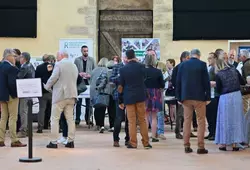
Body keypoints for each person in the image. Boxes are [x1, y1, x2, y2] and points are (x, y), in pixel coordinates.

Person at [176, 49, 210, 154]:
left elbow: (178, 82)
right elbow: (206, 82)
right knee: (201, 121)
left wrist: (179, 97)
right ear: (199, 55)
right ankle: (201, 147)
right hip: (199, 97)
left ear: (190, 55)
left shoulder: (182, 65)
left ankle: (186, 145)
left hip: (186, 97)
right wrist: (208, 97)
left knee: (187, 121)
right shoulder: (202, 64)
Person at [119, 49, 152, 149]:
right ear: (134, 56)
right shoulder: (142, 67)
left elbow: (121, 85)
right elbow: (146, 78)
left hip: (128, 97)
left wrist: (120, 100)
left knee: (131, 121)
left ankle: (133, 143)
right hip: (140, 96)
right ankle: (146, 142)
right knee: (142, 120)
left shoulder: (123, 69)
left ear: (126, 57)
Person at [45, 51, 78, 149]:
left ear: (61, 56)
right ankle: (71, 141)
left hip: (60, 95)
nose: (56, 58)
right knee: (70, 119)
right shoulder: (74, 65)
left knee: (54, 119)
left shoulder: (59, 64)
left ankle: (54, 142)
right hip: (72, 95)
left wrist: (47, 86)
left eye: (57, 56)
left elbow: (53, 77)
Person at [214, 59, 245, 151]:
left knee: (224, 120)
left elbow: (218, 89)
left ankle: (223, 144)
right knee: (236, 119)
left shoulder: (219, 74)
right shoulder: (234, 70)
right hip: (237, 96)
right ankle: (235, 144)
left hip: (225, 97)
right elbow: (242, 82)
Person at [0, 48, 26, 147]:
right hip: (11, 96)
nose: (15, 58)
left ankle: (1, 139)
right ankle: (14, 140)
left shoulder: (1, 65)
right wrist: (15, 94)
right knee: (13, 118)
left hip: (2, 95)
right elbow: (12, 83)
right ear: (8, 56)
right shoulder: (11, 68)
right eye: (14, 56)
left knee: (3, 118)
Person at [144, 54, 165, 142]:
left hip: (144, 94)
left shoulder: (142, 71)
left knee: (145, 116)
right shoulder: (158, 71)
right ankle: (153, 136)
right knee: (154, 117)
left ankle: (145, 136)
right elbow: (162, 85)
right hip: (156, 94)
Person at [110, 56, 130, 147]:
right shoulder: (117, 67)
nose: (127, 59)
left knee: (129, 119)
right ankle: (116, 139)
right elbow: (111, 79)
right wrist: (120, 77)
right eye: (125, 57)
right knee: (118, 118)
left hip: (130, 96)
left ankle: (128, 139)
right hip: (118, 95)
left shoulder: (131, 67)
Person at [74, 45, 96, 126]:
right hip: (80, 83)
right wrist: (79, 74)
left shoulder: (92, 60)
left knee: (89, 103)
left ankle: (88, 119)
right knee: (78, 103)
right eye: (84, 51)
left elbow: (94, 71)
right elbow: (74, 70)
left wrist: (89, 75)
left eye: (87, 51)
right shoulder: (77, 60)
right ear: (81, 51)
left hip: (89, 83)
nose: (86, 52)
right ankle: (77, 119)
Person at [90, 58, 111, 133]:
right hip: (102, 91)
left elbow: (91, 80)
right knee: (102, 108)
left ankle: (98, 124)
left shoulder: (94, 70)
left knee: (96, 107)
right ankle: (102, 125)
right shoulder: (106, 70)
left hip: (93, 91)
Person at [17, 52, 35, 138]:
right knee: (26, 112)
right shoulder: (31, 66)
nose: (19, 59)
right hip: (29, 92)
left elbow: (18, 77)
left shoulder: (24, 67)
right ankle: (28, 129)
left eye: (20, 58)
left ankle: (23, 130)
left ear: (24, 59)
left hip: (24, 92)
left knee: (23, 111)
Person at [35, 54, 53, 133]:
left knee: (41, 109)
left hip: (42, 91)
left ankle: (40, 127)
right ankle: (55, 126)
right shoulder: (52, 66)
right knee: (53, 110)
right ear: (49, 59)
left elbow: (36, 79)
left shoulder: (39, 67)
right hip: (51, 91)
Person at [205, 52, 219, 141]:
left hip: (215, 95)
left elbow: (219, 82)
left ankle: (214, 133)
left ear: (215, 59)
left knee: (213, 115)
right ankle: (211, 132)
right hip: (209, 95)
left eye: (210, 58)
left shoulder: (217, 69)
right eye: (208, 58)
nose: (209, 60)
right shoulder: (208, 68)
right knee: (209, 115)